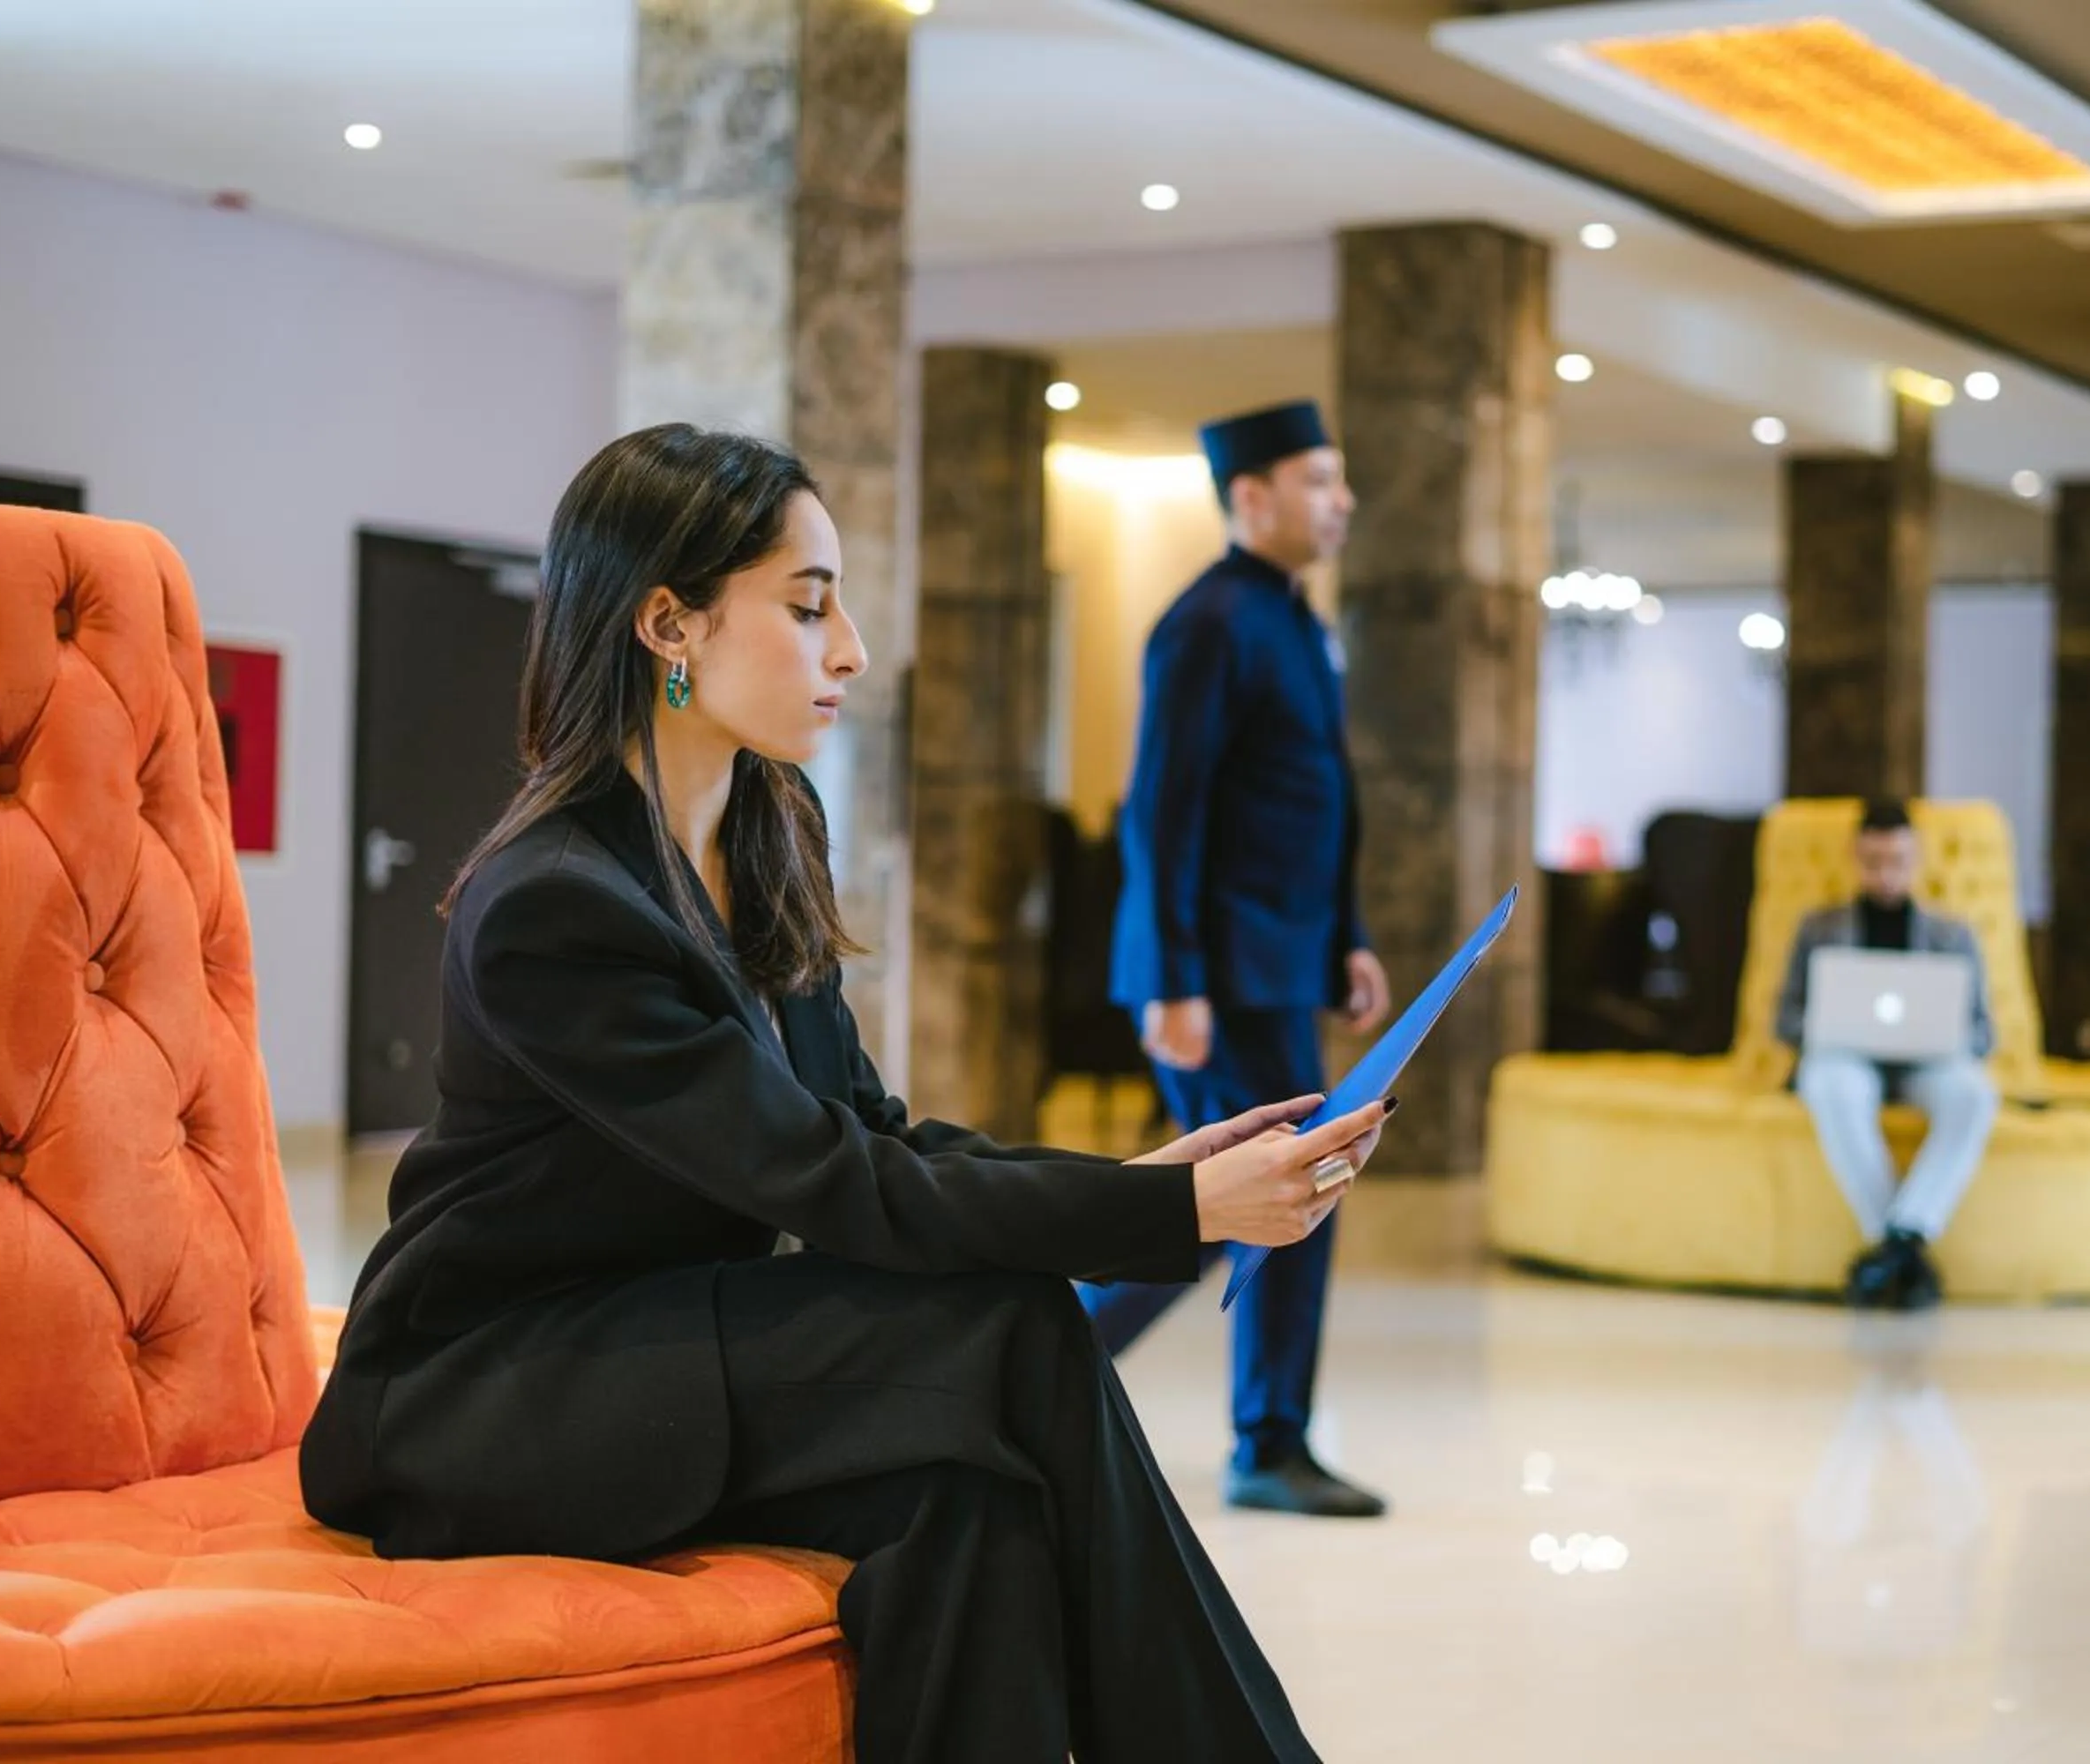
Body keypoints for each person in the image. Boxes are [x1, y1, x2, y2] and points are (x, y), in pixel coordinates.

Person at [297, 424, 1391, 1764]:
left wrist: (1143, 1181)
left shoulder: (770, 827)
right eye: (809, 606)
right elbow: (826, 1180)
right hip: (485, 1395)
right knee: (1012, 1327)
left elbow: (871, 1129)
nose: (853, 651)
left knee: (964, 1505)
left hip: (665, 1338)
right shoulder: (555, 905)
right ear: (668, 624)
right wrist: (1174, 1217)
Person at [1089, 400, 1392, 1521]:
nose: (1341, 499)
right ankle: (1247, 1432)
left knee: (1277, 1197)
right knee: (1246, 1199)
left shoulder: (1297, 619)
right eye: (1319, 478)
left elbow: (1315, 799)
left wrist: (1345, 934)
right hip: (1215, 973)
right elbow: (1164, 810)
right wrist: (1173, 976)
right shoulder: (1209, 620)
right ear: (1251, 496)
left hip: (1277, 964)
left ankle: (1265, 1435)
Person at [1773, 798, 1999, 1311]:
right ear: (1855, 858)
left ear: (1916, 859)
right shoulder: (1818, 928)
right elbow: (1784, 1018)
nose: (1885, 873)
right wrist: (1824, 1027)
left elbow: (1984, 1031)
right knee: (1829, 1084)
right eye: (1873, 861)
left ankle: (1895, 1246)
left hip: (1929, 1064)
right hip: (1846, 1060)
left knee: (1973, 1094)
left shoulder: (1952, 935)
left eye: (1896, 861)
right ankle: (1905, 1248)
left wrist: (1946, 1036)